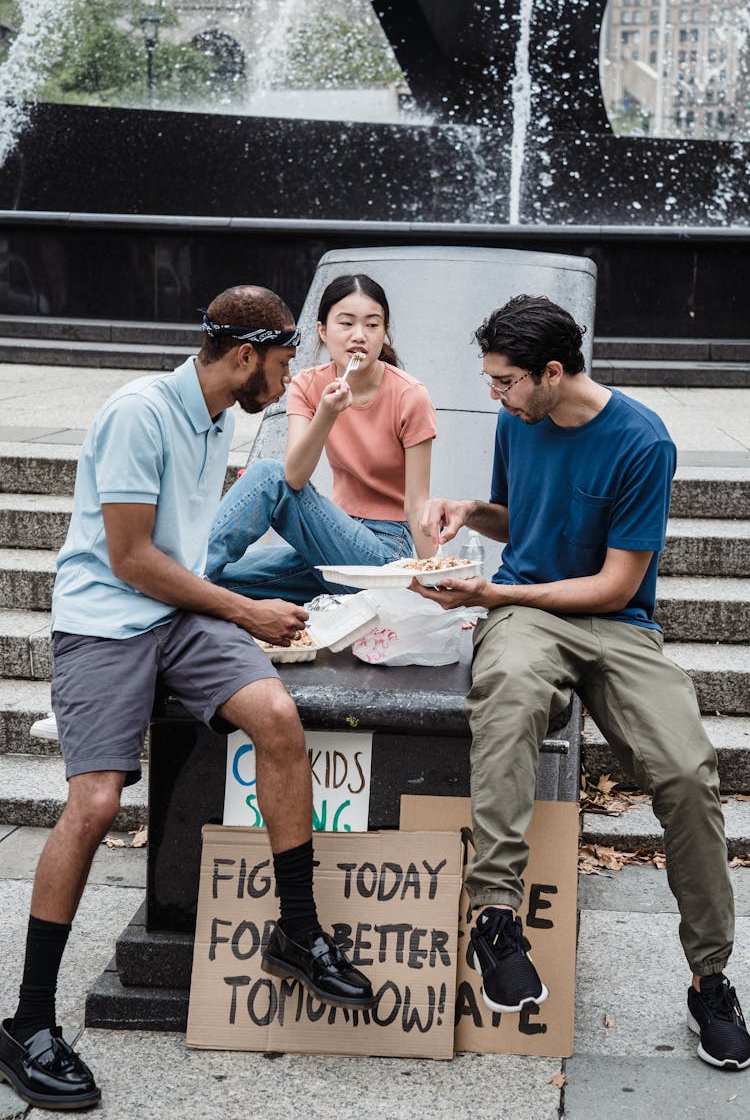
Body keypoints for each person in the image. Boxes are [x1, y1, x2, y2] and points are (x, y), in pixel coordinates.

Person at [0, 286, 375, 1112]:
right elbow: (131, 557)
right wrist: (245, 609)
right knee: (95, 803)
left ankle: (297, 929)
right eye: (282, 364)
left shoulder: (216, 417)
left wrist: (248, 608)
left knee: (278, 718)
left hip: (182, 612)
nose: (288, 380)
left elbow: (187, 555)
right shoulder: (141, 413)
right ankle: (26, 1021)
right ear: (244, 356)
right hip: (105, 617)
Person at [414, 294, 750, 1071]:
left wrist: (493, 593)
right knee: (509, 693)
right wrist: (472, 511)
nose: (494, 394)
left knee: (688, 770)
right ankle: (495, 915)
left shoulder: (641, 442)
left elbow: (611, 586)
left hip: (616, 621)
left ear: (553, 373)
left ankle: (711, 977)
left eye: (504, 382)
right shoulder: (519, 419)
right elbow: (520, 516)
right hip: (531, 616)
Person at [205, 273, 437, 603]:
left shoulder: (410, 396)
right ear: (323, 331)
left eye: (372, 325)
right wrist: (327, 413)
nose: (360, 336)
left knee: (267, 475)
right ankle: (184, 583)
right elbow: (296, 477)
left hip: (385, 556)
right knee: (222, 581)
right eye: (347, 323)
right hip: (326, 543)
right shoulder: (307, 385)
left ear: (385, 334)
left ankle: (186, 575)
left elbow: (417, 505)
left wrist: (437, 586)